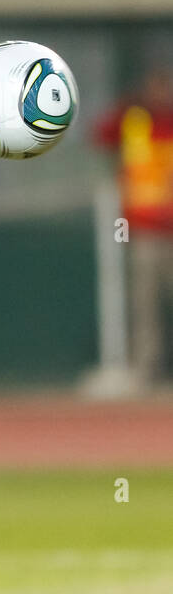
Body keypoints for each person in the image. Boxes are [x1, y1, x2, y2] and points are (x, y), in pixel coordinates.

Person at [93, 63, 173, 385]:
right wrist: (129, 103)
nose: (161, 94)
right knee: (144, 305)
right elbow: (99, 134)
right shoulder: (134, 121)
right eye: (155, 87)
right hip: (143, 229)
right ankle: (146, 369)